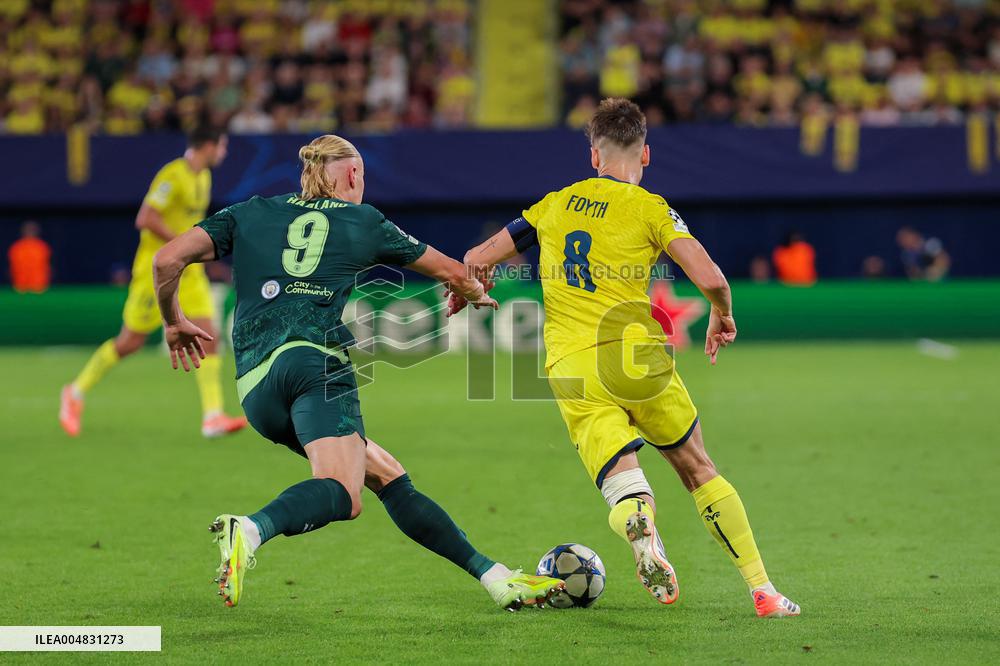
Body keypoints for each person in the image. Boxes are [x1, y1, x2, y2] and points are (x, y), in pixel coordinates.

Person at [150, 134, 566, 611]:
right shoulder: (361, 220)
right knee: (344, 495)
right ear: (352, 176)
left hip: (256, 387)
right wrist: (471, 291)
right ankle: (250, 528)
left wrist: (173, 321)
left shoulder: (248, 210)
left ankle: (496, 578)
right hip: (315, 366)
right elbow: (454, 271)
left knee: (387, 476)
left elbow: (167, 259)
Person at [452, 98, 799, 618]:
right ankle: (763, 591)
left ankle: (639, 520)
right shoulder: (652, 209)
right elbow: (712, 280)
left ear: (594, 156)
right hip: (637, 357)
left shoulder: (554, 203)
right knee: (698, 467)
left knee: (623, 479)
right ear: (646, 154)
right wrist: (721, 314)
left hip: (573, 364)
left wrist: (473, 287)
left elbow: (476, 258)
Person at [60, 126, 247, 438]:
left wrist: (191, 252)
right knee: (130, 342)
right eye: (222, 146)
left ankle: (212, 416)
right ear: (208, 145)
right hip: (157, 271)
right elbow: (145, 218)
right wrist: (184, 244)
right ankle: (75, 392)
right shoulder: (172, 175)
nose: (224, 153)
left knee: (210, 335)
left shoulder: (203, 177)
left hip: (189, 272)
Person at [8, 220, 51, 293]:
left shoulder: (42, 246)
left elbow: (46, 266)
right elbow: (14, 267)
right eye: (28, 230)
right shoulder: (17, 247)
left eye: (32, 230)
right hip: (20, 284)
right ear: (23, 231)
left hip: (39, 284)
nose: (30, 232)